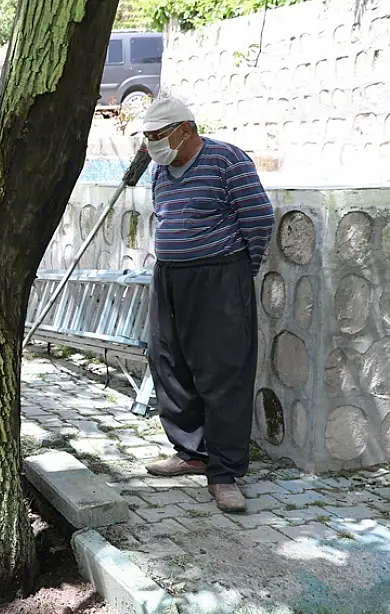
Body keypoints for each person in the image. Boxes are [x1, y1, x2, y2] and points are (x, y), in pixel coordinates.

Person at [133, 98, 275, 513]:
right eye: (148, 138)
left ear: (186, 130)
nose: (153, 145)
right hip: (171, 275)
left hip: (219, 275)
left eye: (159, 136)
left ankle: (225, 472)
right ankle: (190, 451)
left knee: (223, 369)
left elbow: (258, 218)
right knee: (169, 362)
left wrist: (236, 272)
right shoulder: (160, 169)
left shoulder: (226, 160)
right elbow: (164, 217)